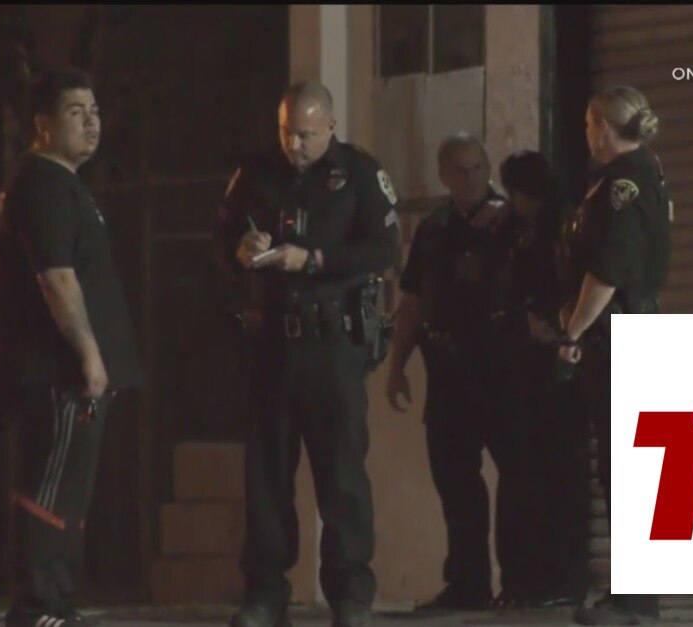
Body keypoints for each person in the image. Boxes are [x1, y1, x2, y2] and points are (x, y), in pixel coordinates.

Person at [212, 81, 399, 627]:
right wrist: (240, 248)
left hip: (333, 341)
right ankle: (266, 593)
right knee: (267, 474)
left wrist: (314, 259)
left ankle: (350, 593)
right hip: (271, 342)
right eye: (287, 132)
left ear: (330, 127)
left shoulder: (359, 173)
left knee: (342, 472)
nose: (295, 144)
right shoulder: (256, 173)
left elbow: (383, 248)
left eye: (306, 135)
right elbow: (220, 236)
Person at [0, 67, 143, 627]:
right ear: (43, 125)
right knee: (49, 486)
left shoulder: (64, 184)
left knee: (70, 491)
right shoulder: (42, 185)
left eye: (94, 111)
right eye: (75, 112)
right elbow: (56, 277)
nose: (91, 122)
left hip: (70, 374)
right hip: (56, 372)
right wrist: (89, 354)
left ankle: (55, 601)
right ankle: (38, 604)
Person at [385, 133, 526, 612]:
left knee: (517, 478)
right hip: (447, 372)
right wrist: (397, 365)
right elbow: (412, 301)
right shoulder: (434, 229)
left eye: (478, 168)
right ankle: (468, 584)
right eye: (460, 171)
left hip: (499, 370)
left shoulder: (509, 220)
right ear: (443, 175)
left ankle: (520, 583)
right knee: (456, 482)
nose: (471, 179)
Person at [557, 85, 671, 625]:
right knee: (618, 465)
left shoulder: (625, 185)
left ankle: (636, 601)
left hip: (621, 336)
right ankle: (629, 595)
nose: (586, 134)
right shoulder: (629, 177)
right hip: (622, 336)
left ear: (603, 126)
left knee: (627, 466)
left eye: (588, 124)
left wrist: (572, 331)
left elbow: (607, 271)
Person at [494, 150, 590, 610]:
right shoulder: (509, 231)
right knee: (522, 474)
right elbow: (497, 292)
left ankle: (565, 577)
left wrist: (558, 326)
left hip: (560, 363)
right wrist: (521, 323)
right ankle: (523, 579)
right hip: (520, 366)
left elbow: (583, 284)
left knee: (564, 473)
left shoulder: (566, 228)